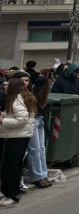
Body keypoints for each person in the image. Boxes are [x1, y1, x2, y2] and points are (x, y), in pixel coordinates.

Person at [0, 78, 36, 207]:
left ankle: (13, 195)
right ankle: (7, 193)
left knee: (13, 167)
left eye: (7, 85)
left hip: (18, 137)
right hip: (14, 136)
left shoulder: (17, 100)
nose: (4, 87)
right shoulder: (17, 99)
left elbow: (21, 120)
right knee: (8, 166)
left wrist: (2, 121)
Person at [27, 76, 51, 189]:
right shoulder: (34, 97)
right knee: (35, 150)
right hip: (34, 121)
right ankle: (38, 176)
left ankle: (42, 174)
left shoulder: (39, 96)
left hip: (39, 120)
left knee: (40, 149)